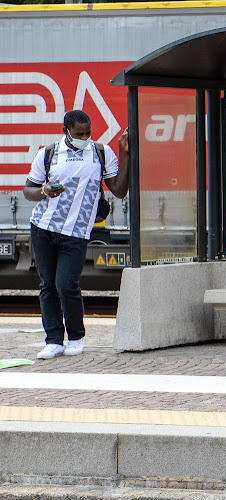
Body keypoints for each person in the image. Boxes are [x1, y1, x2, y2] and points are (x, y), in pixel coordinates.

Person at [24, 110, 130, 359]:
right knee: (48, 285)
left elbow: (119, 190)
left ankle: (76, 337)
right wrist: (45, 190)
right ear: (65, 132)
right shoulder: (48, 154)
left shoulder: (100, 153)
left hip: (77, 231)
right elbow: (28, 190)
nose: (85, 137)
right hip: (43, 228)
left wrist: (125, 153)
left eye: (88, 133)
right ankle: (53, 341)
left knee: (66, 284)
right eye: (79, 134)